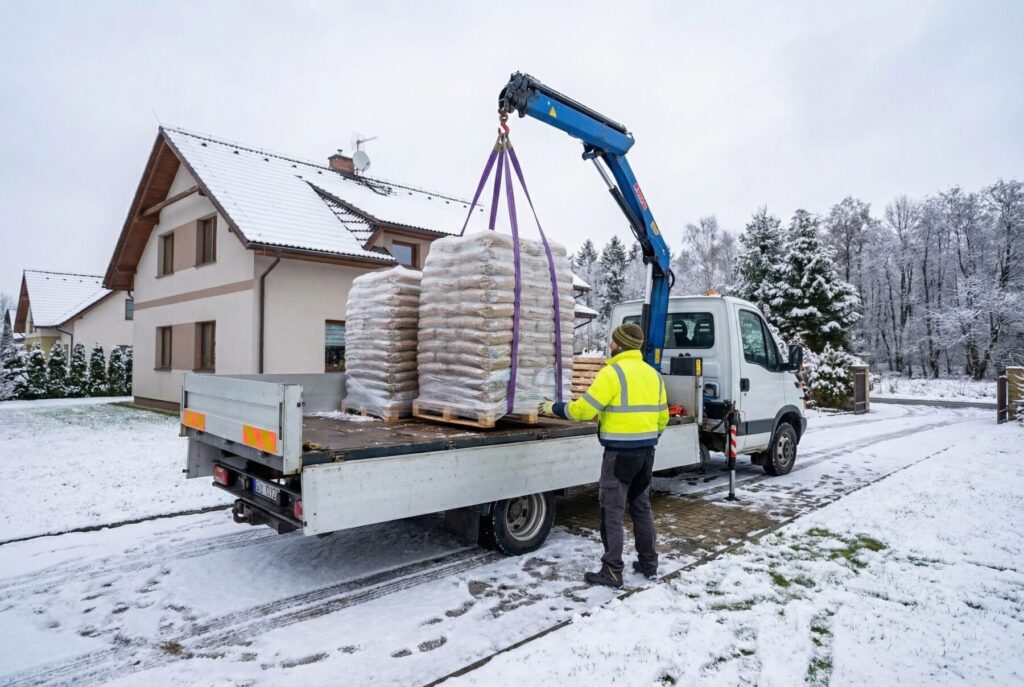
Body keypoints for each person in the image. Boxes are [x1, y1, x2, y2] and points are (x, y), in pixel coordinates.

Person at [540, 322, 669, 588]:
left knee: (612, 511)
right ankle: (649, 563)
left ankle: (612, 570)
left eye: (612, 342)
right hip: (646, 454)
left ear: (620, 345)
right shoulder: (653, 375)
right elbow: (663, 418)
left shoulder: (612, 373)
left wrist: (554, 407)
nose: (609, 345)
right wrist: (647, 437)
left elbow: (584, 411)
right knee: (641, 508)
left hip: (618, 456)